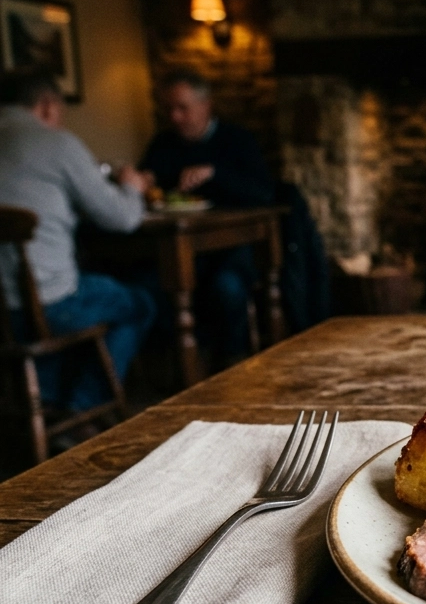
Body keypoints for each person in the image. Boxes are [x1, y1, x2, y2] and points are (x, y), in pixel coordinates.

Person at [0, 71, 155, 415]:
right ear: (46, 105)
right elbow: (122, 219)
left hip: (4, 313)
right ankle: (83, 410)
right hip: (47, 307)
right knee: (140, 302)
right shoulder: (55, 143)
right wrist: (132, 187)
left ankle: (51, 402)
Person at [140, 69, 272, 362]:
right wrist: (142, 182)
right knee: (147, 289)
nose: (175, 117)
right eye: (169, 109)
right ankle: (186, 362)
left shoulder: (238, 140)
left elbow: (264, 195)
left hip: (233, 248)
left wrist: (215, 173)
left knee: (227, 288)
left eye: (182, 108)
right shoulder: (162, 144)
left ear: (206, 106)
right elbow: (151, 185)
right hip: (181, 251)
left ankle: (232, 365)